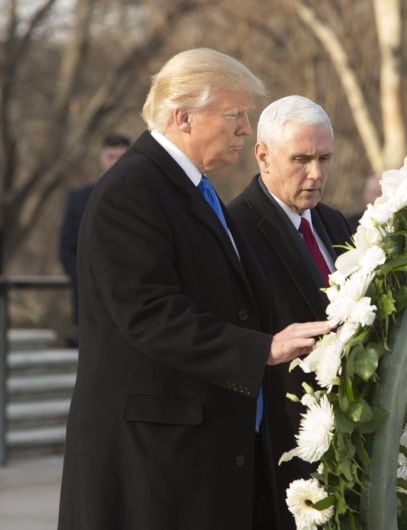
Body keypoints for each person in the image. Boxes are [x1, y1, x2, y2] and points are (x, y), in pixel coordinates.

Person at [57, 48, 329, 530]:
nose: (246, 129)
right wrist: (262, 349)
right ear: (182, 117)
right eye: (234, 115)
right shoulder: (132, 191)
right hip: (151, 461)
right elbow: (151, 314)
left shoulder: (192, 188)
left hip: (193, 455)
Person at [228, 95, 352, 529]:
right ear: (262, 156)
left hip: (342, 441)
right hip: (277, 447)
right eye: (301, 159)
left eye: (324, 158)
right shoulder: (234, 229)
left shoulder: (335, 224)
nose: (316, 174)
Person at [58, 133, 130, 334]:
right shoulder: (78, 199)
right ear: (101, 158)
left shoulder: (142, 196)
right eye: (110, 157)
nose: (115, 162)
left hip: (131, 298)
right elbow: (66, 249)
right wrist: (88, 278)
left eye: (120, 157)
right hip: (88, 300)